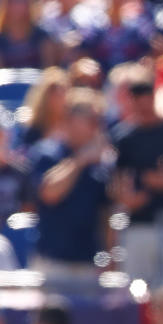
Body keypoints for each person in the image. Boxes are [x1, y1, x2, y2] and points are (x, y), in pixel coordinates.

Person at [110, 62, 163, 287]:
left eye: (145, 92)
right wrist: (126, 199)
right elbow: (117, 182)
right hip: (140, 223)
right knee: (137, 293)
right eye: (135, 95)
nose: (142, 100)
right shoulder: (123, 137)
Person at [28, 86, 112, 287]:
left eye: (98, 121)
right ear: (69, 120)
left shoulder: (102, 163)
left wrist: (109, 257)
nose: (96, 127)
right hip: (53, 263)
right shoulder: (48, 153)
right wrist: (82, 160)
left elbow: (107, 213)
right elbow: (49, 193)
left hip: (89, 265)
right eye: (90, 121)